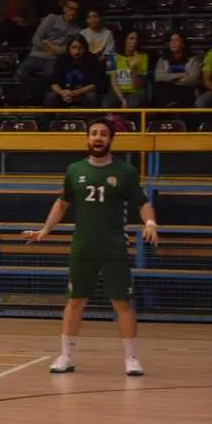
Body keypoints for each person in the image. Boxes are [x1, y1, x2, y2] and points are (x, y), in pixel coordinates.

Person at [23, 118, 159, 377]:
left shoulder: (125, 172)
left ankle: (132, 359)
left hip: (114, 247)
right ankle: (67, 356)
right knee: (75, 301)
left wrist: (150, 222)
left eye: (104, 134)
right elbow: (62, 203)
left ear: (111, 140)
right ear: (87, 139)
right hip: (83, 247)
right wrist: (45, 230)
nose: (98, 137)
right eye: (94, 133)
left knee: (122, 302)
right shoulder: (74, 170)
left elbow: (143, 202)